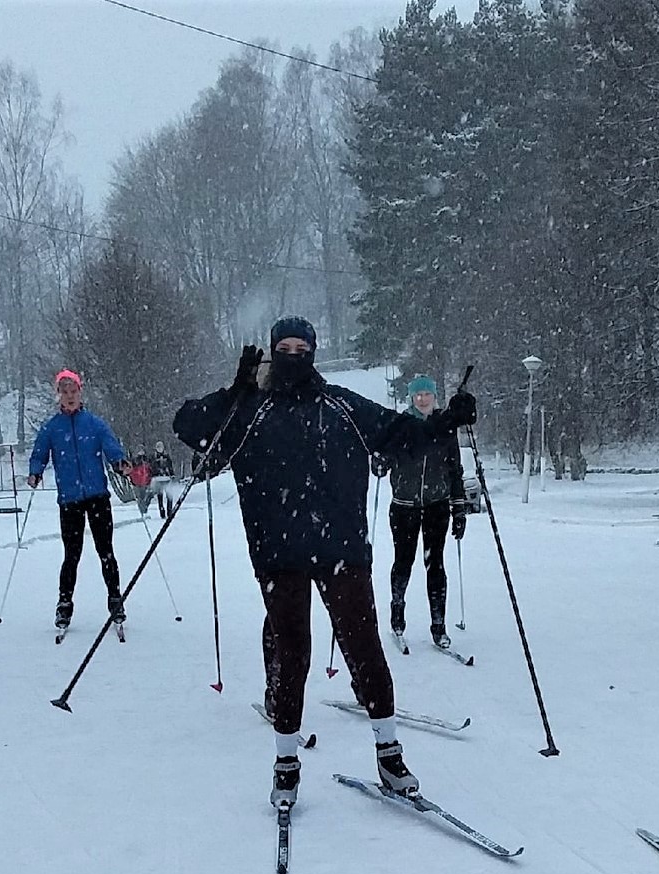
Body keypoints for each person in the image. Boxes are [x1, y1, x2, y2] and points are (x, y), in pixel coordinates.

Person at [173, 316, 477, 809]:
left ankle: (388, 752)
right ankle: (286, 765)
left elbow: (400, 435)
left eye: (302, 346)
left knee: (365, 648)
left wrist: (447, 421)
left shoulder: (340, 404)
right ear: (274, 353)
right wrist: (235, 389)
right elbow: (188, 427)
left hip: (341, 550)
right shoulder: (250, 409)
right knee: (293, 655)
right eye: (284, 347)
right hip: (279, 553)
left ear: (314, 351)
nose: (293, 355)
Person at [27, 368, 132, 628]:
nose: (70, 396)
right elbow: (39, 453)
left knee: (105, 551)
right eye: (65, 392)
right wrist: (34, 472)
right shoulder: (51, 428)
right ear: (58, 395)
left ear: (80, 392)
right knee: (71, 555)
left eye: (73, 391)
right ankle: (64, 605)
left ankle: (115, 600)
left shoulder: (94, 424)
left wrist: (120, 462)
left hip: (97, 496)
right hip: (70, 500)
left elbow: (111, 447)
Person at [377, 375, 469, 647]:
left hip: (436, 505)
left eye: (427, 394)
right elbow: (383, 461)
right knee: (403, 562)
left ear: (434, 397)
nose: (422, 399)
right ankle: (397, 614)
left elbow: (455, 469)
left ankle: (438, 626)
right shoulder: (400, 425)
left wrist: (459, 508)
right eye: (418, 395)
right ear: (411, 398)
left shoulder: (445, 427)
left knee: (436, 564)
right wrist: (380, 463)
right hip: (404, 506)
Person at [150, 440, 177, 518]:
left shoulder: (166, 455)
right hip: (158, 479)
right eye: (158, 447)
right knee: (160, 496)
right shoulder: (154, 457)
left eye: (161, 447)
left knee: (169, 495)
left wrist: (172, 474)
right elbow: (152, 467)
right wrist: (155, 474)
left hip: (167, 478)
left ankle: (170, 511)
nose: (160, 449)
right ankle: (162, 512)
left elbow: (170, 466)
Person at [128, 451, 154, 515]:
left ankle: (144, 509)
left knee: (148, 495)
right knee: (141, 497)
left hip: (145, 481)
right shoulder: (136, 461)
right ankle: (142, 510)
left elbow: (151, 470)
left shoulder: (147, 460)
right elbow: (132, 470)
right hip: (138, 482)